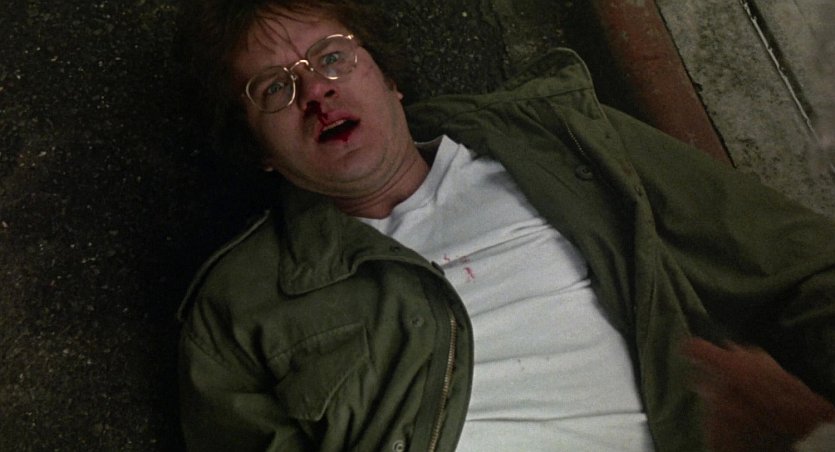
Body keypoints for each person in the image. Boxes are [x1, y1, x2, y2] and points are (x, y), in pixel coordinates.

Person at [175, 1, 835, 450]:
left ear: (388, 77)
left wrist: (812, 417)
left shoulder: (568, 140)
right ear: (259, 150)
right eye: (275, 89)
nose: (315, 91)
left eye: (332, 58)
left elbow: (804, 269)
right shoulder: (238, 307)